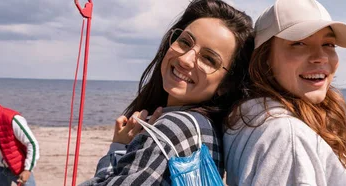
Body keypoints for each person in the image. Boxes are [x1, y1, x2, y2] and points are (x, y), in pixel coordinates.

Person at [79, 0, 254, 185]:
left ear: (227, 84)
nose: (185, 60)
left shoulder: (176, 126)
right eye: (185, 42)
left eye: (209, 59)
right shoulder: (207, 128)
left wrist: (118, 148)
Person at [223, 0, 346, 185]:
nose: (320, 57)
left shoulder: (247, 114)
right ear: (264, 58)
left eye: (329, 44)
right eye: (299, 43)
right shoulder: (287, 137)